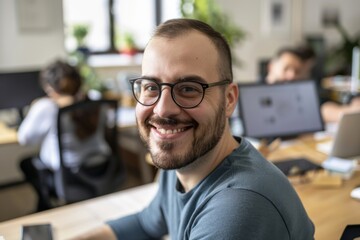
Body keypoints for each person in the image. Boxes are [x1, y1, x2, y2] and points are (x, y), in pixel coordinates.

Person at [73, 18, 314, 240]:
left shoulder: (239, 206)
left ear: (229, 99)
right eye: (150, 87)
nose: (163, 109)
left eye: (188, 88)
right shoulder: (184, 157)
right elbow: (146, 224)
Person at [18, 59, 111, 211]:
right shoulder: (95, 101)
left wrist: (35, 107)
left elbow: (24, 138)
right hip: (102, 166)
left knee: (27, 163)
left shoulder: (46, 107)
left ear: (50, 88)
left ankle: (47, 206)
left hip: (72, 176)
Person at [266, 46, 360, 123]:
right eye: (286, 68)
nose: (292, 75)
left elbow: (323, 107)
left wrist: (352, 107)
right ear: (271, 67)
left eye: (297, 71)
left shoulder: (304, 94)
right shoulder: (253, 97)